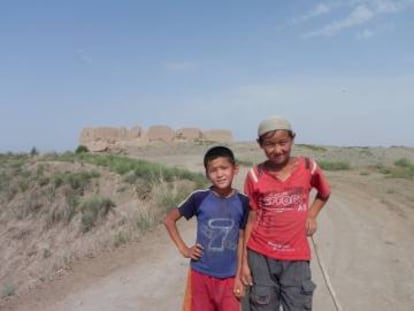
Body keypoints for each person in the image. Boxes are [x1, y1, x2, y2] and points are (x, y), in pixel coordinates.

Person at [241, 116, 331, 311]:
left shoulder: (308, 167)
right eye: (270, 144)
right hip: (261, 255)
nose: (277, 150)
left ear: (292, 139)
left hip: (296, 256)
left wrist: (311, 215)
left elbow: (324, 193)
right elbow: (251, 219)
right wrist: (244, 263)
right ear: (260, 145)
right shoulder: (255, 175)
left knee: (298, 304)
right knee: (262, 304)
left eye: (283, 142)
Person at [164, 145, 249, 311]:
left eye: (224, 168)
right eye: (213, 170)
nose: (219, 174)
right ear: (207, 173)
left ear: (235, 169)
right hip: (200, 274)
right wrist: (184, 249)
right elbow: (169, 220)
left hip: (230, 277)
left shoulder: (244, 201)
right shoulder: (199, 197)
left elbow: (242, 239)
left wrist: (239, 276)